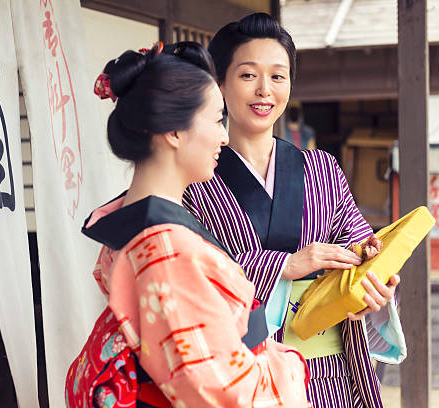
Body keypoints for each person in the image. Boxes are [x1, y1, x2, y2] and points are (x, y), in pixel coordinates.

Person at [65, 42, 311, 408]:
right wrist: (292, 366)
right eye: (216, 119)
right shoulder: (167, 252)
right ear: (174, 132)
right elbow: (228, 393)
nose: (224, 136)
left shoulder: (131, 225)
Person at [183, 13, 406, 408]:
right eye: (248, 75)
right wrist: (284, 266)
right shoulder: (193, 181)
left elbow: (359, 253)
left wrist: (374, 285)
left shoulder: (322, 169)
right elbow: (190, 277)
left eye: (278, 76)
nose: (264, 91)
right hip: (246, 375)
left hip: (331, 377)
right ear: (218, 84)